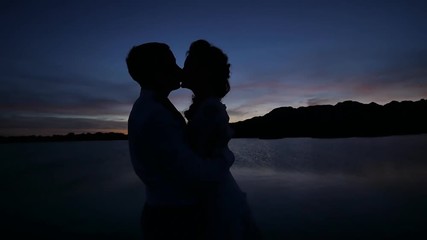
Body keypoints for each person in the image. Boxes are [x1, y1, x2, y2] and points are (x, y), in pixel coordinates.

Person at [126, 42, 233, 240]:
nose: (179, 70)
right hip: (174, 220)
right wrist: (227, 158)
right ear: (157, 71)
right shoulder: (154, 114)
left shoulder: (150, 107)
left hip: (170, 213)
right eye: (172, 64)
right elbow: (193, 173)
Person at [182, 39, 261, 240]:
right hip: (216, 190)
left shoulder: (210, 110)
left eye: (189, 65)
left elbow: (199, 159)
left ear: (202, 72)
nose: (183, 70)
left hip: (215, 197)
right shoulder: (208, 107)